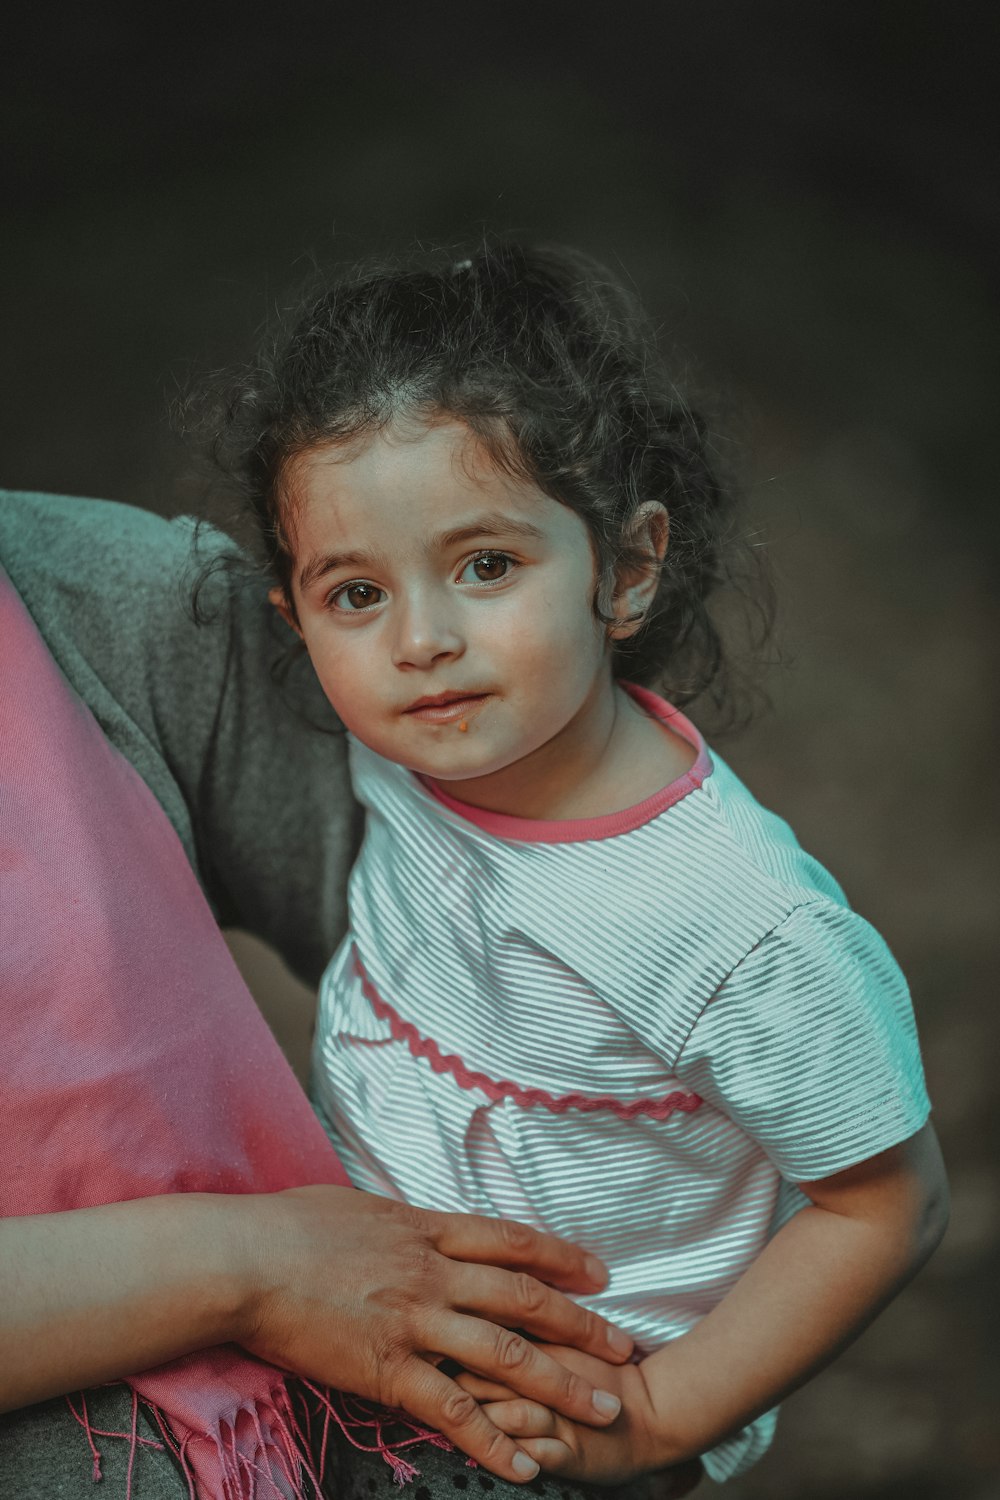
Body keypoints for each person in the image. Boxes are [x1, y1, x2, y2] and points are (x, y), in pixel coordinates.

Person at [193, 241, 949, 1490]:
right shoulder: (408, 752)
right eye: (356, 594)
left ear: (625, 567)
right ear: (296, 621)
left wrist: (654, 1416)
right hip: (360, 1322)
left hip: (554, 1421)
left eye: (486, 567)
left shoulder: (731, 926)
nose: (423, 641)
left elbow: (887, 1207)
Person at [0, 488, 639, 1498]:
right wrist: (248, 1271)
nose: (423, 641)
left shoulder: (108, 602)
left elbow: (538, 951)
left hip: (374, 1449)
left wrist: (680, 1360)